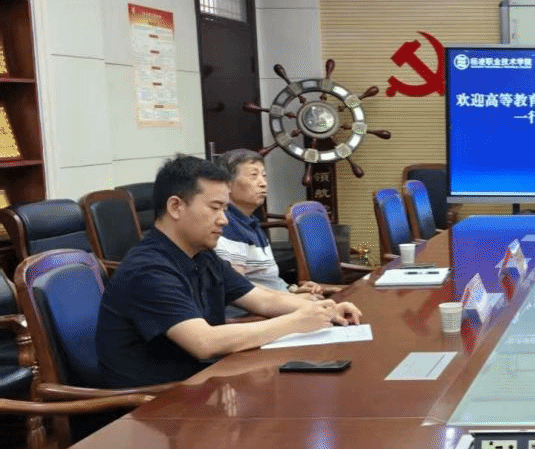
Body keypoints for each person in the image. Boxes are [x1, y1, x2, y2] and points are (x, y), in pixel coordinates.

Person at [97, 154, 362, 389]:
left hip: (203, 385)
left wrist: (324, 310)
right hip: (155, 405)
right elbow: (204, 342)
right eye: (215, 208)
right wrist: (295, 322)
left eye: (225, 209)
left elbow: (263, 299)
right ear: (176, 207)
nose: (224, 219)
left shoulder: (201, 254)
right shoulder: (148, 269)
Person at [214, 148, 322, 298]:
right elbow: (237, 288)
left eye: (264, 176)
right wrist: (293, 299)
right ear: (227, 184)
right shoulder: (227, 225)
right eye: (253, 176)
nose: (263, 183)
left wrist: (293, 289)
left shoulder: (250, 222)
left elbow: (266, 281)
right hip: (256, 310)